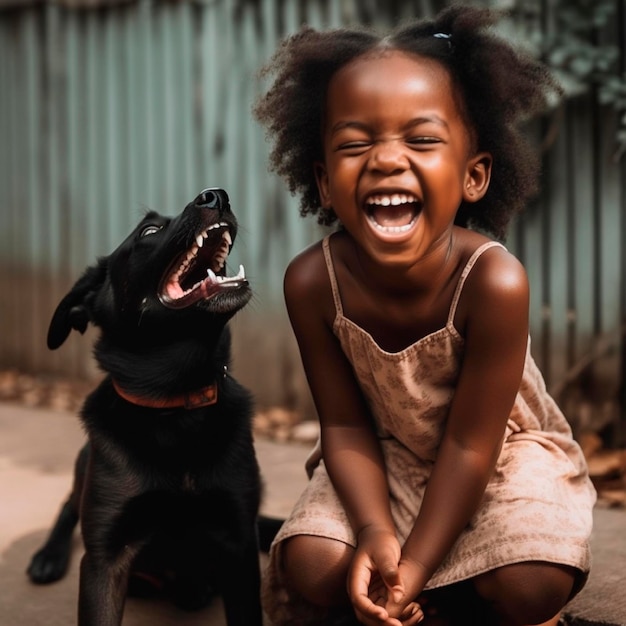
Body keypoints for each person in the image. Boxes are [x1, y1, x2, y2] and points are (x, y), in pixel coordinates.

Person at [253, 5, 596, 626]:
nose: (385, 159)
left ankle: (443, 589)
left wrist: (408, 570)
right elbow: (347, 429)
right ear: (324, 182)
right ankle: (439, 588)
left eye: (421, 139)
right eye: (356, 144)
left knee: (532, 582)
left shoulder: (493, 280)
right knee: (314, 565)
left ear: (473, 176)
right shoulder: (312, 282)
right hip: (384, 455)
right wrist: (377, 535)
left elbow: (471, 444)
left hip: (499, 456)